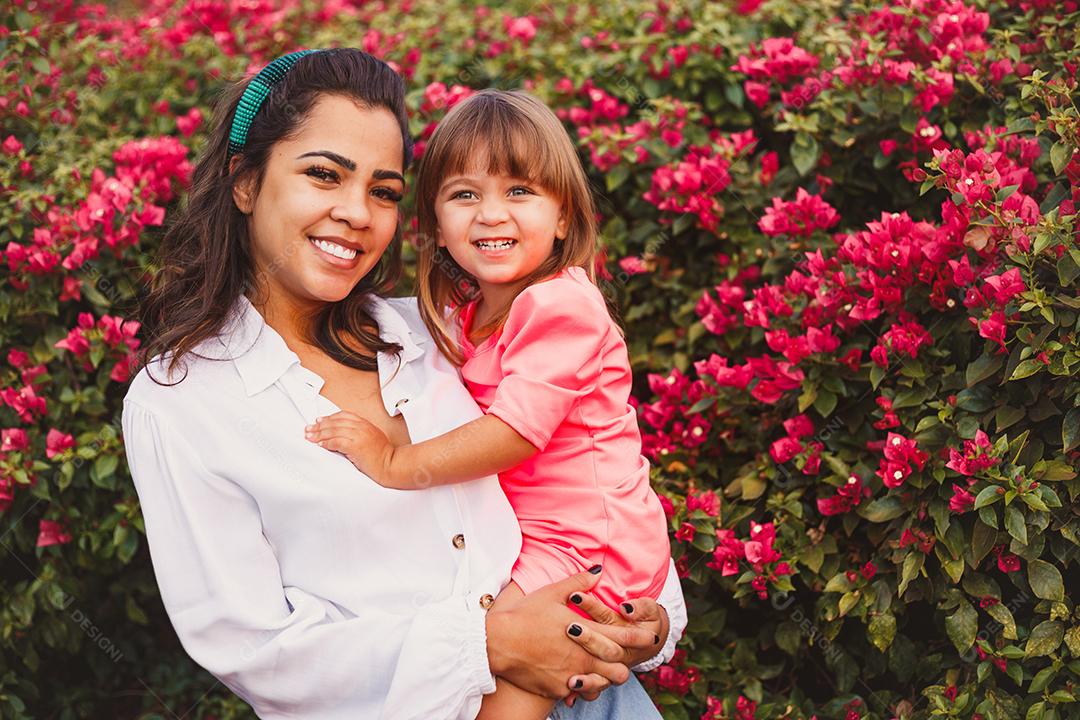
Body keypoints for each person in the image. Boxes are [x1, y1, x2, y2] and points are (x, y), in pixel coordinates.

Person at [121, 48, 686, 720]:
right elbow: (257, 653)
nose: (358, 213)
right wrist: (489, 644)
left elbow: (588, 474)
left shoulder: (436, 333)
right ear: (245, 182)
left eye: (384, 191)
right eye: (324, 175)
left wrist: (644, 621)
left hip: (599, 693)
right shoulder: (183, 403)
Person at [304, 89, 673, 720]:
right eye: (464, 194)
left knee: (505, 664)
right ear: (438, 225)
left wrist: (393, 461)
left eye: (520, 191)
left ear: (564, 217)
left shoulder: (560, 304)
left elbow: (514, 434)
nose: (490, 214)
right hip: (541, 541)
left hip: (585, 545)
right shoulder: (466, 315)